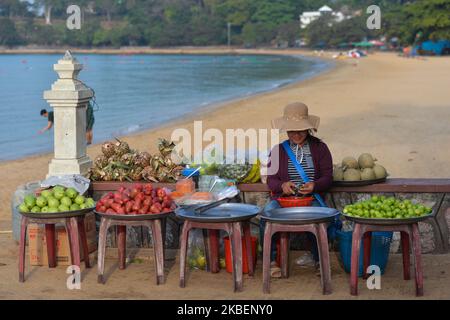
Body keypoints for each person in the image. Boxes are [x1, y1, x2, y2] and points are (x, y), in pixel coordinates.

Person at [261, 102, 338, 278]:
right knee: (266, 216)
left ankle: (320, 261)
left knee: (318, 220)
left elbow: (328, 176)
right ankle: (271, 260)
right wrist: (282, 186)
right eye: (292, 131)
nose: (296, 134)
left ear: (308, 129)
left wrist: (315, 185)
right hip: (283, 201)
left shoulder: (320, 148)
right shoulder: (278, 150)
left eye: (301, 130)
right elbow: (271, 180)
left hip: (310, 199)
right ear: (286, 131)